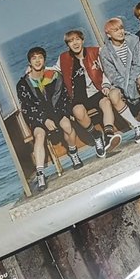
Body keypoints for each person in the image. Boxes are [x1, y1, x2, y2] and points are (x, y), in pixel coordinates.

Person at [16, 46, 83, 192]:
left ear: (44, 60)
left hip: (56, 112)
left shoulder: (54, 76)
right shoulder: (23, 84)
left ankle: (73, 153)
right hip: (38, 117)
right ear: (29, 62)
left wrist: (59, 115)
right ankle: (40, 174)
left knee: (67, 125)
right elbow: (27, 108)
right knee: (39, 135)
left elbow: (63, 97)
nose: (37, 61)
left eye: (40, 57)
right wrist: (44, 120)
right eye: (34, 58)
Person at [56, 30, 125, 157]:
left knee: (106, 102)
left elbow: (106, 69)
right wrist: (34, 70)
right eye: (71, 41)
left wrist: (106, 85)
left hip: (97, 90)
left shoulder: (95, 52)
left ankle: (109, 134)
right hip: (78, 96)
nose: (75, 43)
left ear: (82, 40)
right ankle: (96, 135)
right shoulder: (64, 59)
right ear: (68, 45)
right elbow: (54, 70)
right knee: (78, 112)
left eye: (77, 39)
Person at [100, 17, 140, 141]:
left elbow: (139, 65)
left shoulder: (133, 40)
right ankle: (136, 125)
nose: (120, 32)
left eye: (121, 28)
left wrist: (130, 83)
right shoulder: (105, 52)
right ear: (109, 35)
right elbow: (111, 74)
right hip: (120, 82)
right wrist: (125, 85)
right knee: (113, 95)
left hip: (136, 75)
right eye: (116, 30)